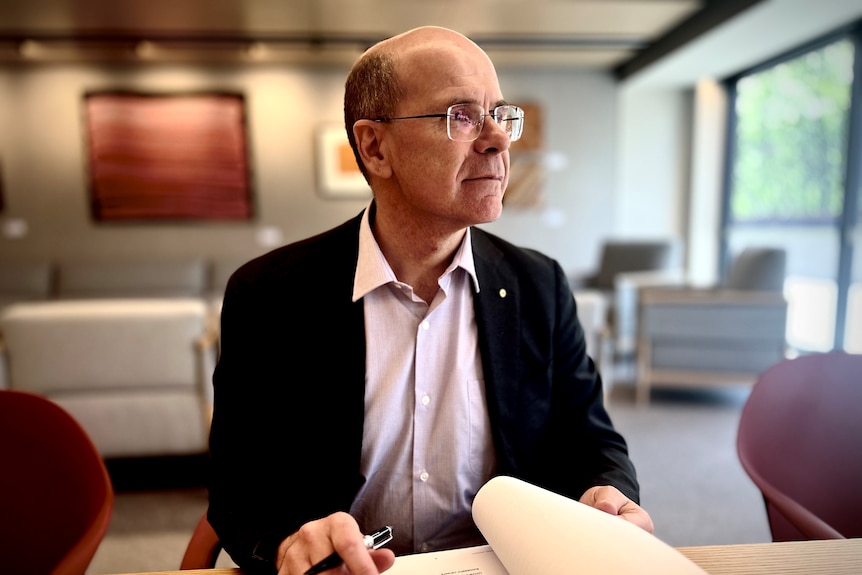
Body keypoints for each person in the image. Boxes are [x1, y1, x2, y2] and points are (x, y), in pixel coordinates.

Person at [208, 25, 653, 575]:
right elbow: (237, 487)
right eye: (460, 116)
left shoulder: (539, 285)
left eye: (499, 114)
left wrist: (609, 492)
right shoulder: (269, 295)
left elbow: (591, 438)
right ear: (375, 147)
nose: (498, 139)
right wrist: (286, 545)